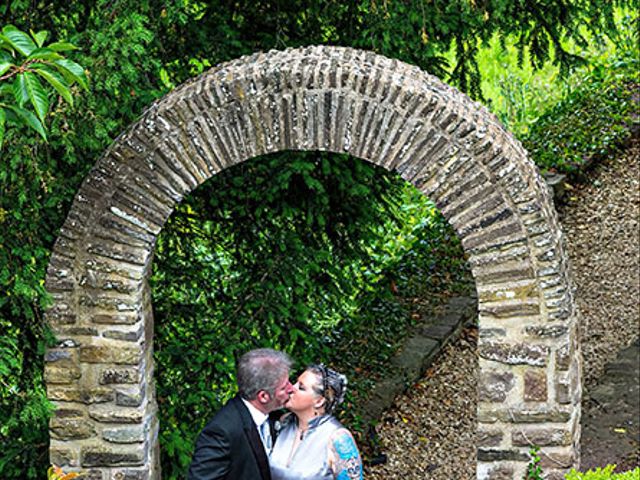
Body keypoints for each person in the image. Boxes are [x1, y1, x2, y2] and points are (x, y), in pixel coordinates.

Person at [188, 348, 294, 480]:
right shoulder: (222, 431)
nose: (292, 388)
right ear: (263, 396)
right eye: (284, 387)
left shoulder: (274, 416)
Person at [269, 364, 363, 480]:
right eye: (295, 383)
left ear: (319, 401)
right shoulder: (284, 422)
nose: (291, 388)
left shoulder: (338, 438)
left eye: (301, 387)